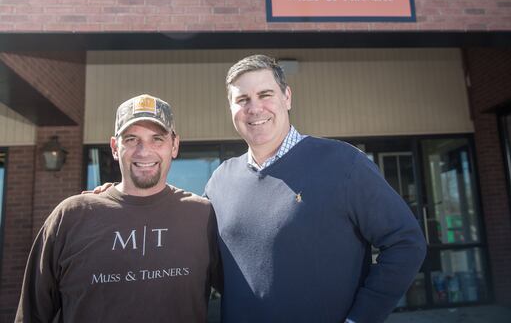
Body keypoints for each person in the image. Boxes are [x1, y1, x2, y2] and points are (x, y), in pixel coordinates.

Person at [204, 55, 427, 323]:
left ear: (287, 97)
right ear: (231, 108)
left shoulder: (343, 163)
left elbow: (406, 242)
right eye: (242, 100)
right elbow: (210, 263)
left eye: (265, 95)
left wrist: (360, 319)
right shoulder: (221, 180)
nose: (254, 108)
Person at [15, 94, 220, 323]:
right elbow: (32, 314)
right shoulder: (71, 217)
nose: (144, 151)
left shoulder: (202, 217)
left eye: (157, 139)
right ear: (114, 147)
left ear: (174, 145)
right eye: (132, 139)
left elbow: (249, 293)